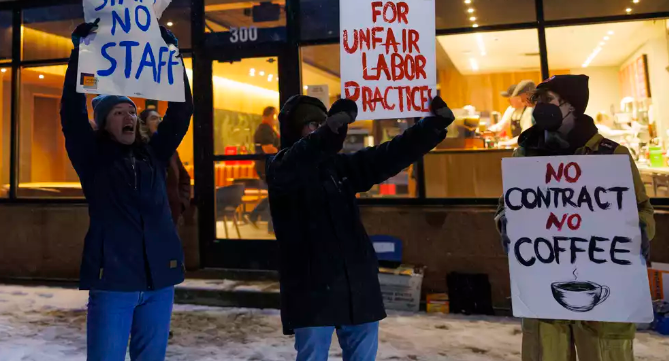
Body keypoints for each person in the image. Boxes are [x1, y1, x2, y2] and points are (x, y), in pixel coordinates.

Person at [268, 94, 455, 361]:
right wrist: (328, 133)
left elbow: (389, 155)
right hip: (311, 288)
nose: (318, 130)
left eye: (322, 123)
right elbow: (303, 155)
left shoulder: (340, 168)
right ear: (293, 131)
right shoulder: (280, 168)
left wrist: (431, 126)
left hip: (357, 283)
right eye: (312, 125)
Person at [495, 75, 655, 361]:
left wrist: (641, 229)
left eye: (547, 100)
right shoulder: (524, 156)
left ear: (572, 106)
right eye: (536, 101)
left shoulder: (612, 156)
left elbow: (642, 209)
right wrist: (507, 222)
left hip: (605, 282)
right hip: (544, 284)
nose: (538, 107)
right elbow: (505, 208)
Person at [62, 21, 193, 361]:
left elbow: (181, 113)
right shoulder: (91, 157)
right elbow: (71, 115)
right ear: (105, 124)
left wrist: (172, 56)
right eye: (118, 113)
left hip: (159, 281)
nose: (128, 117)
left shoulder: (155, 154)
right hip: (114, 282)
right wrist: (79, 54)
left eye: (131, 111)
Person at [140, 107, 192, 226]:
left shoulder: (171, 151)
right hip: (147, 219)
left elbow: (185, 178)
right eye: (154, 118)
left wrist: (181, 203)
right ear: (144, 125)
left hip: (171, 216)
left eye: (160, 118)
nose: (159, 121)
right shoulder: (139, 150)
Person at [249, 106, 279, 227]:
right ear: (267, 116)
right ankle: (271, 225)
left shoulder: (270, 129)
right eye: (274, 116)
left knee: (274, 193)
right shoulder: (264, 130)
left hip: (269, 166)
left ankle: (254, 215)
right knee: (276, 193)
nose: (275, 119)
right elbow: (268, 149)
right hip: (265, 167)